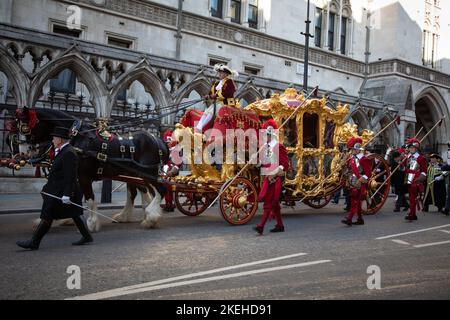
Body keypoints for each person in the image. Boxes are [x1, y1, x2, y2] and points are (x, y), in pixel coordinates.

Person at [16, 127, 93, 250]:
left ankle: (34, 242)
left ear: (60, 139)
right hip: (57, 189)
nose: (52, 140)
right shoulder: (62, 150)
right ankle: (87, 236)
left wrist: (67, 194)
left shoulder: (69, 153)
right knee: (75, 214)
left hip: (62, 191)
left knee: (47, 216)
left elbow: (70, 176)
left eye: (54, 138)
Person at [254, 119, 289, 235]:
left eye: (267, 135)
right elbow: (264, 163)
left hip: (275, 179)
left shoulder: (279, 147)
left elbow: (285, 165)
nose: (265, 137)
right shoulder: (265, 148)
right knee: (275, 205)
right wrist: (257, 162)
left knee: (268, 202)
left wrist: (275, 172)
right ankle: (280, 225)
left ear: (272, 135)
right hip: (267, 178)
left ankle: (261, 226)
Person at [196, 64, 238, 133]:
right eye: (219, 72)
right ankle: (198, 127)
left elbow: (227, 93)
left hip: (226, 103)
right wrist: (208, 96)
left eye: (222, 73)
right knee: (206, 112)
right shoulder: (217, 83)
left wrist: (214, 96)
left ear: (226, 74)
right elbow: (211, 92)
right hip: (217, 102)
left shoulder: (229, 82)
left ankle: (202, 126)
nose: (220, 74)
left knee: (211, 112)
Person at [341, 137, 372, 226]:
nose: (352, 151)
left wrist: (360, 180)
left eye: (353, 149)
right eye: (351, 149)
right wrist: (344, 167)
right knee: (356, 201)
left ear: (358, 149)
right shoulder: (351, 159)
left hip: (360, 183)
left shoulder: (363, 159)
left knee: (354, 201)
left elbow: (368, 173)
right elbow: (350, 170)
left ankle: (349, 218)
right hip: (352, 182)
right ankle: (360, 219)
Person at [404, 138, 427, 221]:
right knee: (411, 198)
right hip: (408, 179)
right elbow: (405, 167)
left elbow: (424, 171)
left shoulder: (421, 158)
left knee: (413, 197)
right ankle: (412, 213)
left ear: (416, 149)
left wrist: (419, 179)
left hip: (416, 180)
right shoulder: (408, 157)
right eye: (410, 148)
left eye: (413, 148)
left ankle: (412, 214)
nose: (411, 149)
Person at [160, 130, 179, 212]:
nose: (167, 144)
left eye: (168, 142)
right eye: (166, 142)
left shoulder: (175, 150)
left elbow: (178, 163)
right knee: (165, 189)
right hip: (165, 171)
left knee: (168, 189)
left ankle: (169, 205)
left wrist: (172, 171)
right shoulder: (164, 150)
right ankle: (168, 203)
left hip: (172, 171)